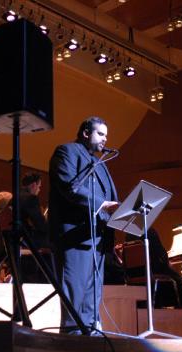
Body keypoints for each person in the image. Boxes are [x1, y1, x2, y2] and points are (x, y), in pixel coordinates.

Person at [49, 116, 119, 334]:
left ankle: (91, 333)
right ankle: (72, 337)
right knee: (75, 291)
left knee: (92, 294)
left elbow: (111, 197)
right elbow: (68, 186)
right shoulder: (66, 151)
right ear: (86, 133)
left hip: (96, 238)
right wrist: (102, 204)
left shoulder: (101, 164)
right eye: (100, 134)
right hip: (73, 237)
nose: (105, 139)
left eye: (107, 135)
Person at [125, 227, 182, 308]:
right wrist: (167, 261)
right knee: (178, 278)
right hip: (152, 270)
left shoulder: (129, 233)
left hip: (134, 273)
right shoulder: (149, 230)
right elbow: (160, 254)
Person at [19, 173, 49, 249]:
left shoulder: (16, 196)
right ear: (33, 185)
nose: (39, 190)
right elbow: (40, 225)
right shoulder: (31, 198)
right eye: (39, 187)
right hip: (27, 240)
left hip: (18, 238)